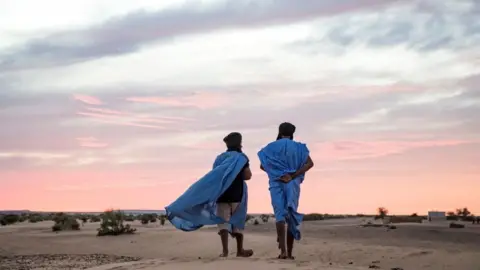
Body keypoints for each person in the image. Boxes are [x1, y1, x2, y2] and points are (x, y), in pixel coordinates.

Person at [165, 132, 253, 258]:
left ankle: (225, 252)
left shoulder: (220, 158)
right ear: (240, 143)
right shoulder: (242, 158)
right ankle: (240, 250)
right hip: (237, 195)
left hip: (221, 195)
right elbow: (247, 176)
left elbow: (215, 176)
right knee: (237, 222)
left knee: (223, 223)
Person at [258, 122, 314, 260]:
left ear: (279, 131)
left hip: (276, 182)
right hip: (292, 183)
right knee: (291, 214)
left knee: (279, 215)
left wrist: (277, 174)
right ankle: (289, 253)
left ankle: (282, 252)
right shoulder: (299, 147)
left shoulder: (270, 147)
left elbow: (262, 166)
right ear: (292, 132)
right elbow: (310, 163)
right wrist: (293, 175)